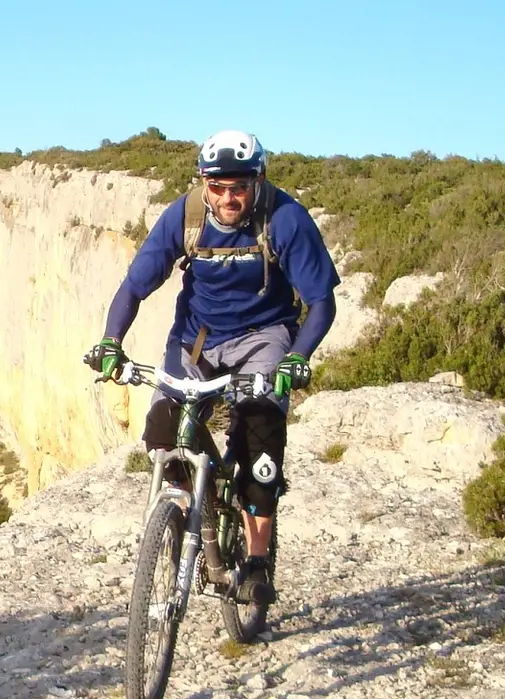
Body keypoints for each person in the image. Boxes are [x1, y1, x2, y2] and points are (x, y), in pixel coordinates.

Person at [84, 130, 338, 605]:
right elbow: (134, 286)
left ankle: (257, 561)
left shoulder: (285, 219)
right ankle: (193, 515)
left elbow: (321, 303)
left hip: (264, 337)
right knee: (163, 430)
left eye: (238, 186)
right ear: (203, 182)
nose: (227, 197)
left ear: (257, 181)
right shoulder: (186, 215)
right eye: (216, 186)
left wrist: (297, 359)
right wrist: (111, 342)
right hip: (196, 341)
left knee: (260, 444)